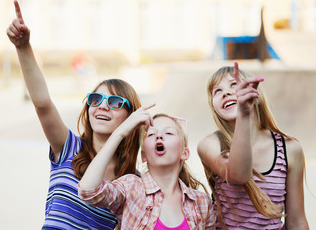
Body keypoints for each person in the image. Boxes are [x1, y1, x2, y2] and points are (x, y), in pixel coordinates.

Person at [6, 0, 144, 229]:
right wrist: (23, 47)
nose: (102, 106)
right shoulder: (69, 147)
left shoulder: (132, 181)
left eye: (115, 102)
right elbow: (42, 103)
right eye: (95, 99)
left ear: (131, 117)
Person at [197, 62, 309, 229]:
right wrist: (243, 113)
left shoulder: (289, 149)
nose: (226, 92)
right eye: (217, 91)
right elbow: (239, 175)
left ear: (255, 93)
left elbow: (297, 221)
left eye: (234, 84)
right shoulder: (211, 145)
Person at [78, 113, 216, 229]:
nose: (159, 136)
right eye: (151, 134)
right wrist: (119, 133)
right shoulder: (131, 187)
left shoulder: (201, 202)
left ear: (184, 153)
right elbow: (88, 191)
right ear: (144, 155)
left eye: (168, 133)